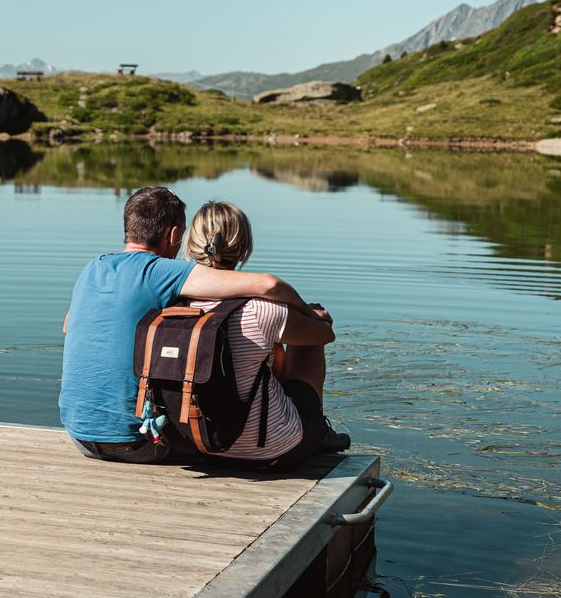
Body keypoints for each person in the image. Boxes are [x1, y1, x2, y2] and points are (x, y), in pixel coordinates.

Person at [60, 185, 336, 463]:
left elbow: (69, 326)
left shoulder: (94, 268)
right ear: (174, 234)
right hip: (142, 441)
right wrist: (310, 314)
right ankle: (310, 428)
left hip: (78, 437)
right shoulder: (163, 272)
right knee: (294, 342)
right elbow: (269, 284)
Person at [179, 200, 347, 469]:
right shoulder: (260, 309)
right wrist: (309, 315)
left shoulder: (173, 305)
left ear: (191, 245)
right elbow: (325, 335)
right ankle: (319, 429)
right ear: (244, 248)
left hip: (197, 444)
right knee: (307, 338)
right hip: (271, 449)